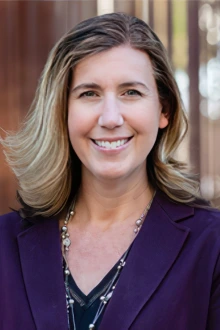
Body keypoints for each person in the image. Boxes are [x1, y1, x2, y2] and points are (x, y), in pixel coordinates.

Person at [0, 12, 220, 330]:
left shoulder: (211, 247)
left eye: (131, 92)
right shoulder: (5, 245)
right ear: (62, 110)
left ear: (164, 109)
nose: (111, 118)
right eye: (89, 93)